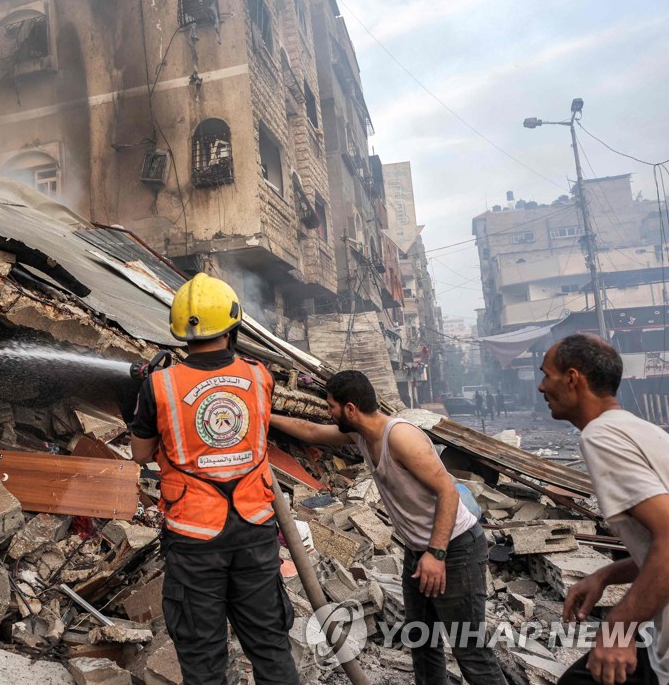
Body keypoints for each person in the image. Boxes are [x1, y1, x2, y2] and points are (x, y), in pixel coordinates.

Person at [273, 371, 505, 685]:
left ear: (351, 409)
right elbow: (311, 431)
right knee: (423, 642)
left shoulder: (399, 437)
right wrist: (264, 417)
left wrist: (436, 554)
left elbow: (448, 492)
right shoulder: (360, 435)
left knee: (470, 649)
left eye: (331, 407)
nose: (328, 413)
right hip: (419, 552)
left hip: (454, 549)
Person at [129, 273, 298, 685]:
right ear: (233, 324)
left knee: (203, 661)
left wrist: (142, 395)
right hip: (255, 532)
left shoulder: (159, 385)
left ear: (180, 330)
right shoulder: (260, 377)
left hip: (194, 540)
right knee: (270, 647)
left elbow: (140, 453)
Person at [538, 334, 669, 685]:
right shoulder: (642, 430)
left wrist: (618, 628)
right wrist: (605, 575)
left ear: (572, 378)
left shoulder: (602, 436)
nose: (540, 387)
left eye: (546, 375)